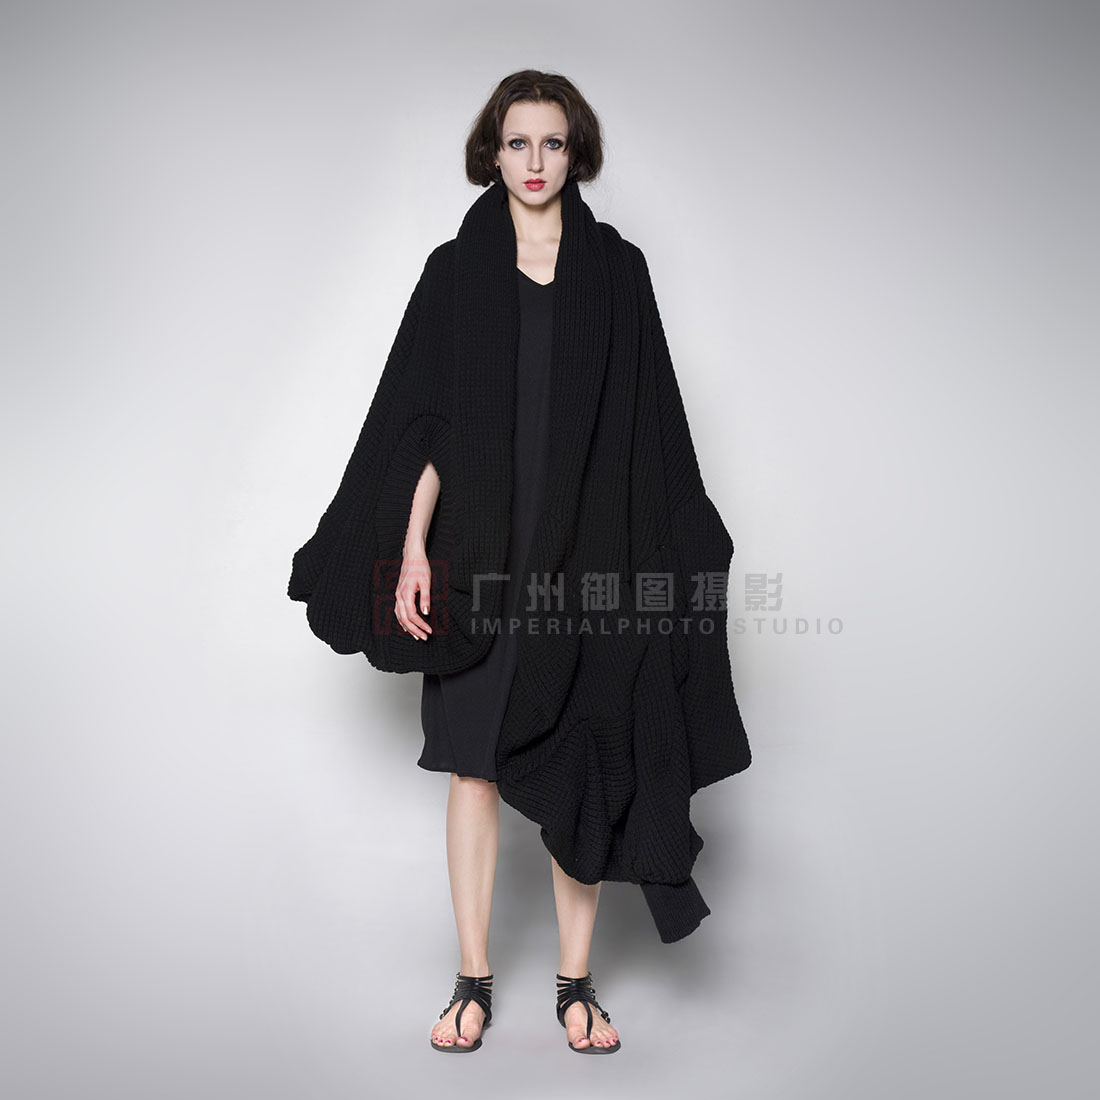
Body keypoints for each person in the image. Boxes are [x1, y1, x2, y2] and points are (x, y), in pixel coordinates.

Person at [398, 71, 622, 1055]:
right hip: (477, 558)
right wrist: (414, 547)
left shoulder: (617, 272)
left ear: (577, 153)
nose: (535, 162)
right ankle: (473, 977)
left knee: (583, 757)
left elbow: (644, 434)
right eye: (518, 142)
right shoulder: (455, 272)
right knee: (474, 767)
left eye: (553, 143)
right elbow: (425, 426)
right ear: (492, 152)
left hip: (582, 559)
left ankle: (576, 983)